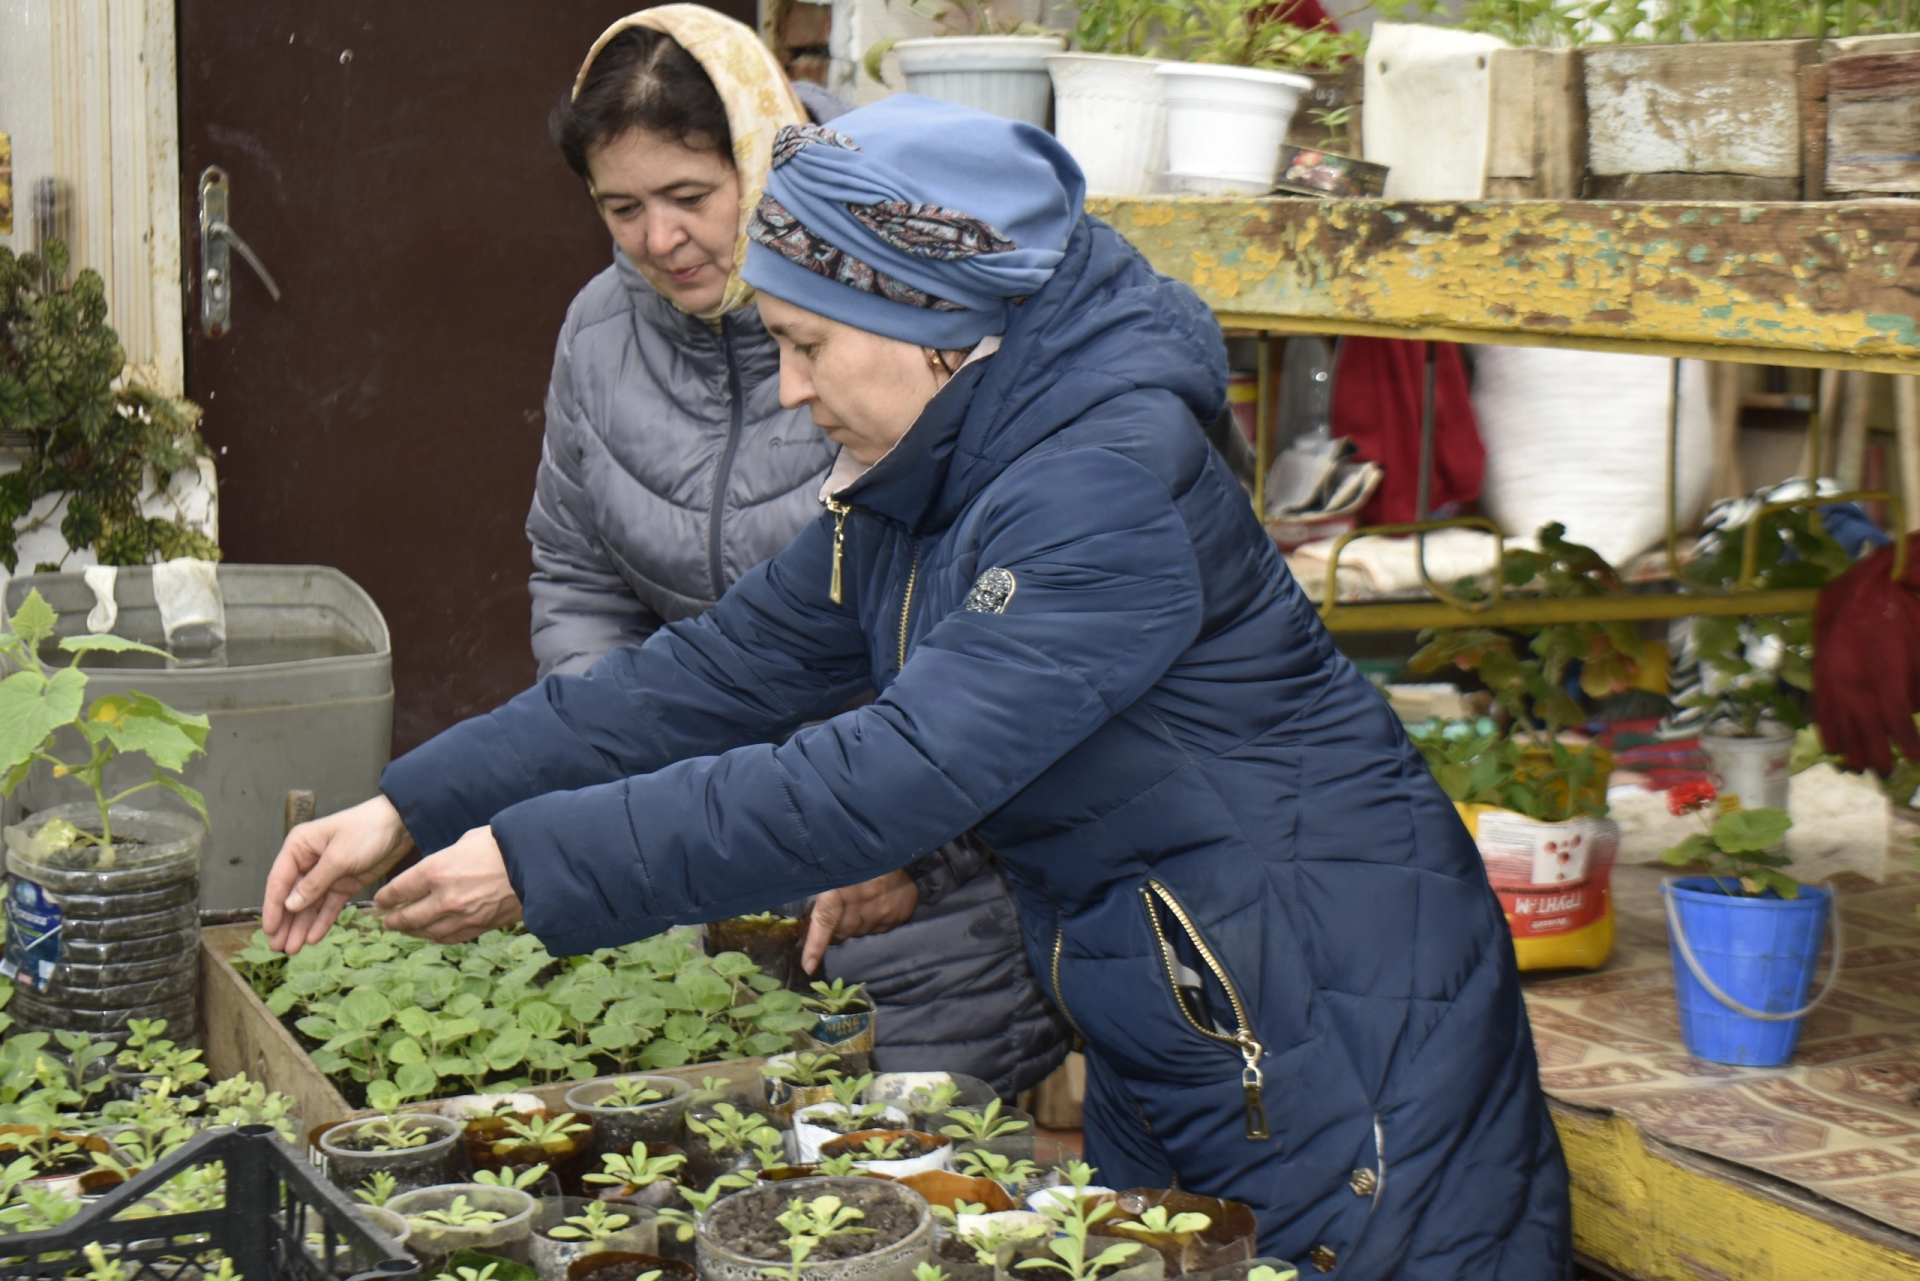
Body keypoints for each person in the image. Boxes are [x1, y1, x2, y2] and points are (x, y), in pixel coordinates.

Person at [265, 95, 1572, 1276]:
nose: (789, 390)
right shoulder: (929, 482)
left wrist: (540, 863)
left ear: (936, 328)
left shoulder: (1099, 488)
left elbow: (885, 776)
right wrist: (412, 805)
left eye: (810, 344)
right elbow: (703, 676)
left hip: (1339, 1053)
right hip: (1184, 1031)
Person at [526, 6, 1064, 1097]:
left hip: (921, 890)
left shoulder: (899, 308)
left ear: (766, 160)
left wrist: (915, 847)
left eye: (688, 197)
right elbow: (579, 581)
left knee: (911, 1209)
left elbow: (1005, 643)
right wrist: (636, 777)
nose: (658, 240)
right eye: (620, 208)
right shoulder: (597, 333)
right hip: (709, 870)